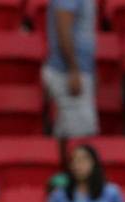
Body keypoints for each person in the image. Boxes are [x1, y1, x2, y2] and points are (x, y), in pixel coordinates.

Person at [44, 0, 98, 138]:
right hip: (67, 72)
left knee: (66, 130)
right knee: (80, 134)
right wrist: (73, 70)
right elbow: (63, 29)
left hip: (79, 70)